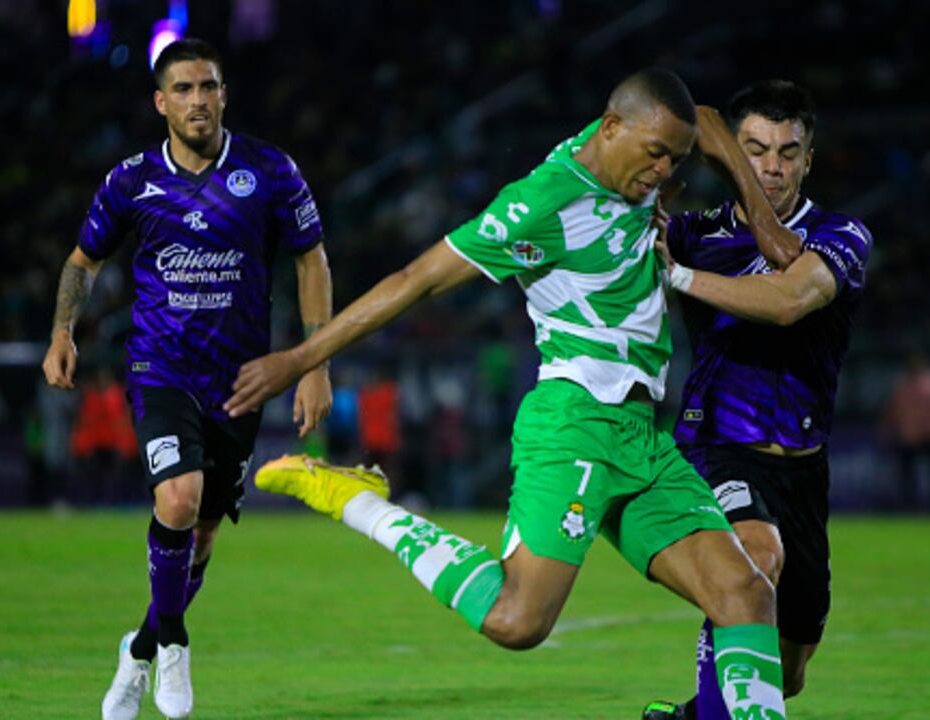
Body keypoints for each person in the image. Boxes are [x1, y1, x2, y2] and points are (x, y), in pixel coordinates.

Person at [225, 68, 789, 720]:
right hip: (574, 422)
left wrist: (763, 220)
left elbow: (708, 120)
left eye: (674, 159)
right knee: (516, 621)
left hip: (641, 436)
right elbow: (416, 279)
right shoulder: (540, 205)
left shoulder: (625, 143)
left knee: (746, 594)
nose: (664, 170)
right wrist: (302, 357)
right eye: (655, 154)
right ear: (611, 129)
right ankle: (358, 502)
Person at [40, 38, 333, 720]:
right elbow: (83, 260)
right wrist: (62, 330)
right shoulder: (132, 181)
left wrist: (314, 363)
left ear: (224, 94)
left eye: (209, 87)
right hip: (160, 367)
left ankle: (138, 650)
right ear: (160, 101)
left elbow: (311, 258)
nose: (198, 100)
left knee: (200, 535)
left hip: (242, 380)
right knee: (176, 499)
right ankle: (173, 642)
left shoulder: (269, 170)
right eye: (184, 89)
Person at [644, 80, 872, 719]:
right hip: (715, 444)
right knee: (753, 560)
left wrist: (679, 276)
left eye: (787, 152)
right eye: (756, 150)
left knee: (788, 671)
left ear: (808, 159)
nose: (772, 166)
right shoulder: (691, 232)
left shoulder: (840, 234)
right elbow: (695, 119)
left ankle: (694, 717)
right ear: (733, 154)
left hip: (802, 465)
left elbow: (788, 300)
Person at [881, 351, 930, 510]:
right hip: (909, 436)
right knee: (908, 474)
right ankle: (909, 505)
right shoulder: (902, 386)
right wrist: (889, 430)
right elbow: (893, 411)